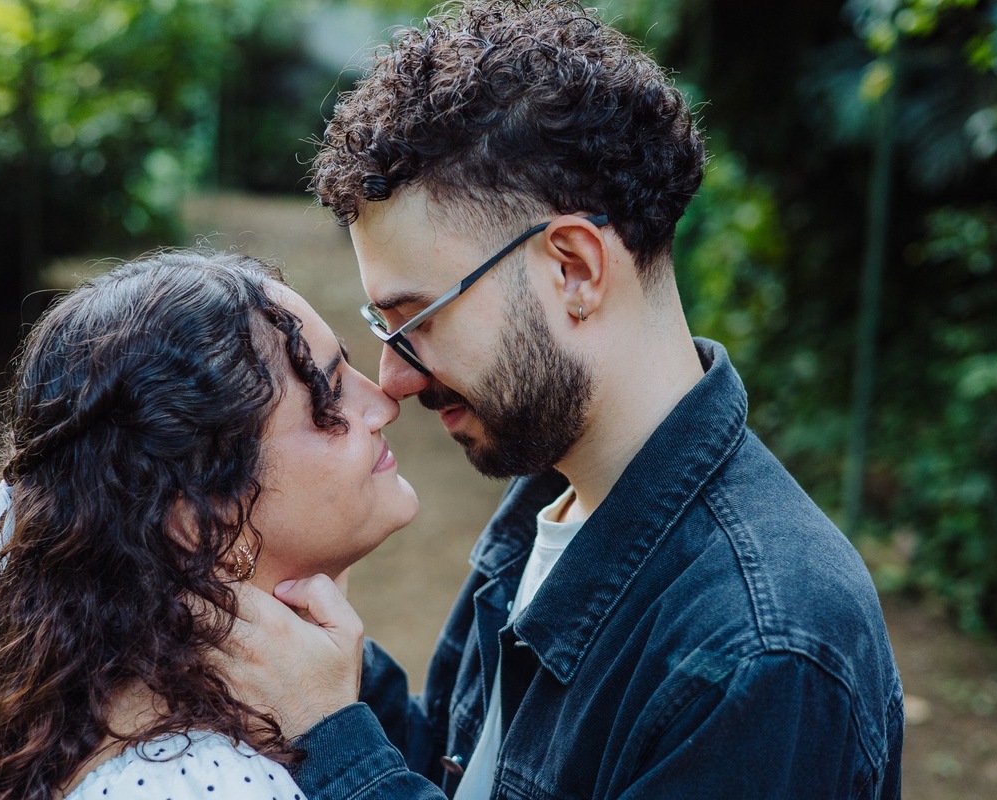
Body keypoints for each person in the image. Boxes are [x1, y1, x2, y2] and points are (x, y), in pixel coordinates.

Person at [230, 0, 905, 797]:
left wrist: (331, 741)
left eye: (418, 319)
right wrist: (325, 671)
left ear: (575, 270)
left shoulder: (759, 652)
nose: (396, 379)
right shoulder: (555, 502)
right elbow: (470, 772)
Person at [0, 250, 415, 800]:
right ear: (199, 522)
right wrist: (339, 742)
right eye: (329, 394)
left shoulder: (91, 711)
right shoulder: (203, 779)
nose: (385, 403)